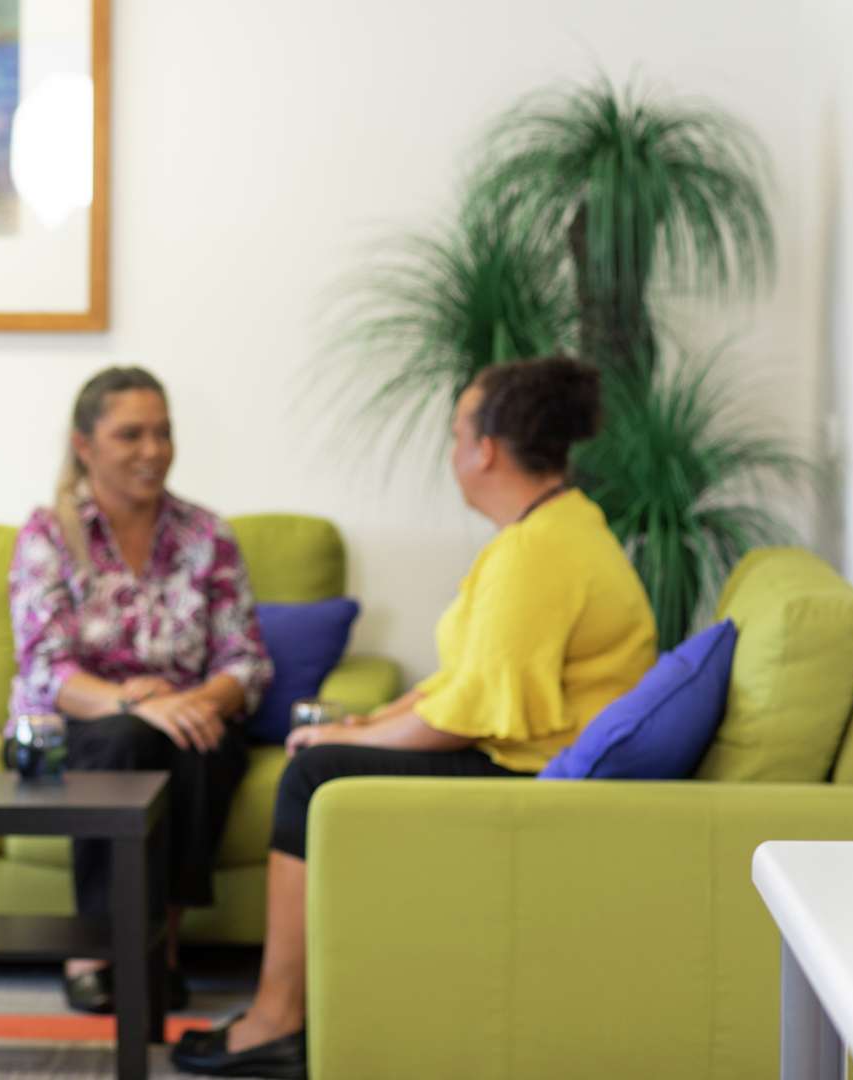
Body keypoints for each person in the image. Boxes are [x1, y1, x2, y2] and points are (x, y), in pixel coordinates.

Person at [173, 356, 658, 1078]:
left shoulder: (536, 553)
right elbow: (461, 679)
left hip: (527, 775)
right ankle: (284, 1012)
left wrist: (341, 738)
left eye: (457, 430)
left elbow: (465, 716)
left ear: (485, 449)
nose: (452, 448)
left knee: (310, 775)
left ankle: (275, 1021)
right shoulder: (555, 528)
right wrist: (365, 724)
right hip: (519, 752)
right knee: (327, 753)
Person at [8, 366, 273, 1015]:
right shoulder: (49, 533)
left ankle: (162, 945)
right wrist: (143, 703)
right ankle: (98, 950)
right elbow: (48, 668)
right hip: (76, 725)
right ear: (85, 444)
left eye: (163, 433)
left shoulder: (207, 535)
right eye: (131, 434)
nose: (152, 451)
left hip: (187, 720)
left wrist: (200, 703)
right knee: (126, 736)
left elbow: (245, 659)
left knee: (200, 740)